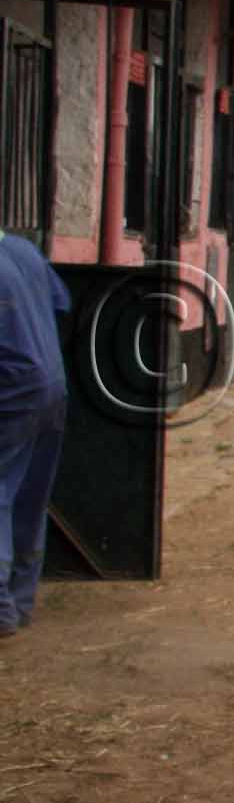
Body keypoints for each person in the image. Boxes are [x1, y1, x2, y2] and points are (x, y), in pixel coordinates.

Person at [0, 230, 70, 637]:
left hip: (11, 389)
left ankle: (2, 609)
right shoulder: (23, 250)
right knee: (31, 492)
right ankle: (22, 599)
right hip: (52, 384)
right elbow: (61, 303)